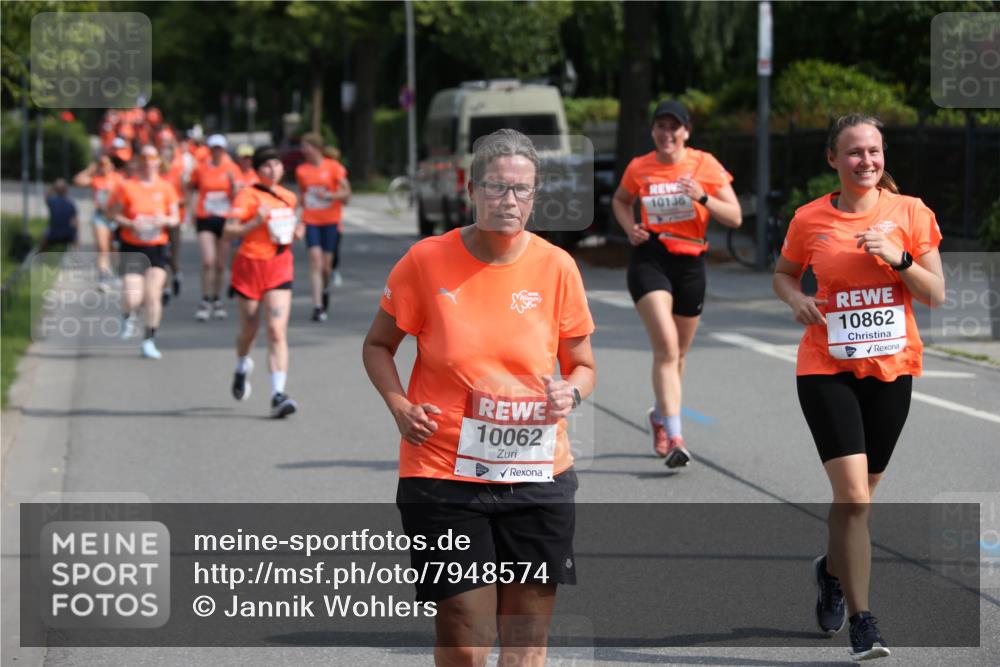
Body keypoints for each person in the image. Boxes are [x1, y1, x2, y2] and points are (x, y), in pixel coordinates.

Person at [362, 129, 596, 666]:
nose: (508, 200)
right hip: (442, 472)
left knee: (525, 643)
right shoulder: (426, 261)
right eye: (496, 187)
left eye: (521, 189)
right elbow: (378, 345)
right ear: (471, 190)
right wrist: (399, 406)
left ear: (535, 196)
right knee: (467, 637)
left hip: (537, 472)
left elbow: (583, 365)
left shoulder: (557, 267)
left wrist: (571, 392)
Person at [773, 114, 944, 661]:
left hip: (891, 372)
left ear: (883, 155)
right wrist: (796, 299)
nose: (865, 160)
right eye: (853, 152)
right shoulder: (809, 218)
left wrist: (899, 258)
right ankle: (863, 622)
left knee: (858, 504)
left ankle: (830, 571)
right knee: (851, 496)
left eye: (873, 150)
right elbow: (783, 273)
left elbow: (936, 294)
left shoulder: (911, 213)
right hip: (826, 368)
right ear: (833, 159)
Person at [611, 100, 742, 467]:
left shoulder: (704, 164)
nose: (667, 134)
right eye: (661, 126)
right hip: (651, 257)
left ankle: (659, 415)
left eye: (674, 127)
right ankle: (676, 437)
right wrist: (630, 228)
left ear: (686, 131)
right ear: (653, 130)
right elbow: (621, 200)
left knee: (678, 355)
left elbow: (735, 217)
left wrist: (702, 196)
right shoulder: (639, 167)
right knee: (667, 347)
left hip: (691, 262)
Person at [224, 146, 304, 418]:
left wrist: (297, 231)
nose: (273, 170)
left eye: (277, 164)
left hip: (279, 267)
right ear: (258, 170)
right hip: (250, 266)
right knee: (249, 328)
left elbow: (287, 230)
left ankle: (278, 394)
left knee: (276, 331)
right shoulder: (247, 196)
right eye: (267, 165)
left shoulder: (289, 197)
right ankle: (241, 365)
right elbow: (228, 232)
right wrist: (254, 222)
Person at [110, 145, 180, 359]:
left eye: (152, 158)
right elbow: (114, 215)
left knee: (152, 294)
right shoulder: (127, 186)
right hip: (132, 246)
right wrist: (131, 224)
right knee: (132, 297)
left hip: (157, 246)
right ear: (139, 162)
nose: (148, 163)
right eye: (144, 158)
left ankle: (149, 340)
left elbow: (175, 218)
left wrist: (164, 220)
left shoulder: (166, 187)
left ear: (158, 162)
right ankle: (127, 314)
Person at [295, 133, 350, 322]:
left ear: (316, 147)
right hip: (311, 220)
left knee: (326, 266)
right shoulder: (301, 170)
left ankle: (325, 289)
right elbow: (303, 195)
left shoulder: (334, 167)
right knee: (315, 260)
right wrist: (296, 216)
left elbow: (346, 193)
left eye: (306, 146)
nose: (303, 150)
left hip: (331, 221)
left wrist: (329, 196)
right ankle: (317, 306)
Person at [189, 133, 239, 321]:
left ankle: (217, 299)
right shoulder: (200, 168)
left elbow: (239, 196)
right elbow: (191, 188)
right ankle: (205, 299)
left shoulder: (232, 168)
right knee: (208, 260)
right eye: (214, 148)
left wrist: (233, 185)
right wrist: (190, 210)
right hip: (205, 217)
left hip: (225, 219)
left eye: (220, 148)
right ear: (210, 150)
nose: (217, 152)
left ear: (224, 150)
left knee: (220, 264)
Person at [73, 154, 123, 289]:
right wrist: (91, 168)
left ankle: (116, 274)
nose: (103, 167)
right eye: (101, 164)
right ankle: (103, 277)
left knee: (115, 248)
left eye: (105, 164)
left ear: (111, 165)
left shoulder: (118, 178)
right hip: (100, 216)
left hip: (115, 216)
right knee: (102, 248)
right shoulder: (96, 179)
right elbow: (77, 180)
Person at [39, 179, 79, 252]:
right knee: (74, 237)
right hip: (68, 234)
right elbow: (75, 222)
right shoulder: (71, 204)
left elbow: (46, 197)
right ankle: (76, 252)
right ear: (66, 190)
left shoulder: (52, 202)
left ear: (56, 190)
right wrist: (76, 238)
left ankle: (41, 254)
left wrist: (52, 187)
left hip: (53, 233)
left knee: (44, 234)